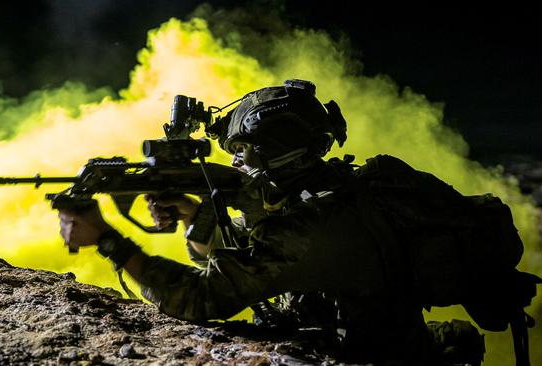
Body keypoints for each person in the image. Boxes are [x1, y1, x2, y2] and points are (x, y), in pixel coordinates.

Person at [58, 80, 482, 365]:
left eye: (243, 152)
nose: (235, 163)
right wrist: (197, 217)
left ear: (275, 155)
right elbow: (256, 252)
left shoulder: (309, 227)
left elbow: (200, 299)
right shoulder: (334, 192)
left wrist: (108, 240)